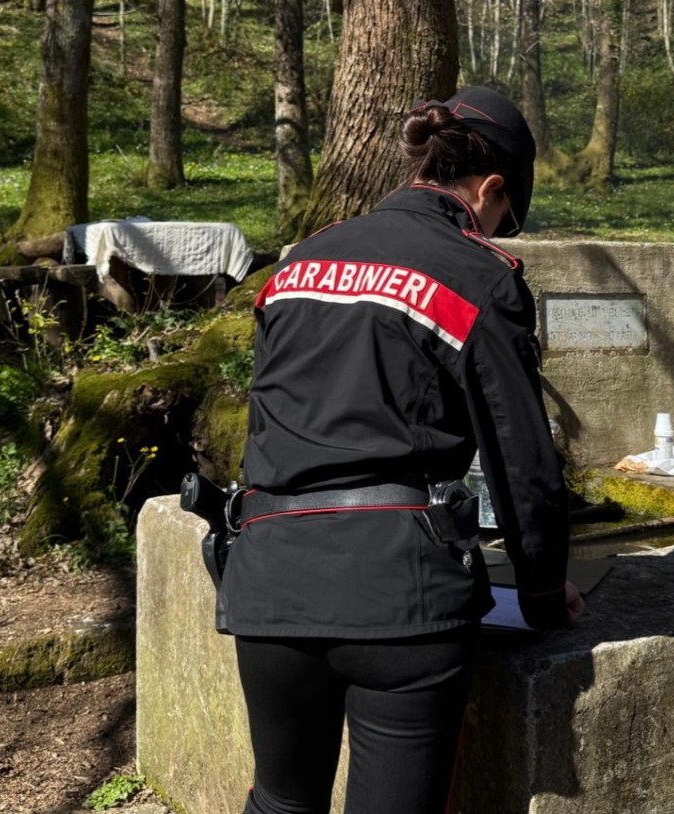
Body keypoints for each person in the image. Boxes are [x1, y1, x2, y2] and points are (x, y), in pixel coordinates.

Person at [220, 86, 584, 814]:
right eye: (504, 216)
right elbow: (520, 458)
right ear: (491, 188)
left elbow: (271, 418)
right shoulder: (476, 274)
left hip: (268, 579)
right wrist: (543, 592)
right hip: (397, 595)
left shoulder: (299, 262)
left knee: (280, 803)